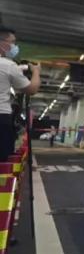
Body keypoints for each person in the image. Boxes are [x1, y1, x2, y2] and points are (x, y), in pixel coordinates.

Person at [0, 26, 41, 161]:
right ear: (2, 43)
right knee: (2, 163)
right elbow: (32, 89)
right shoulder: (7, 65)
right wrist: (36, 72)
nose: (14, 46)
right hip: (1, 118)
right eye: (12, 42)